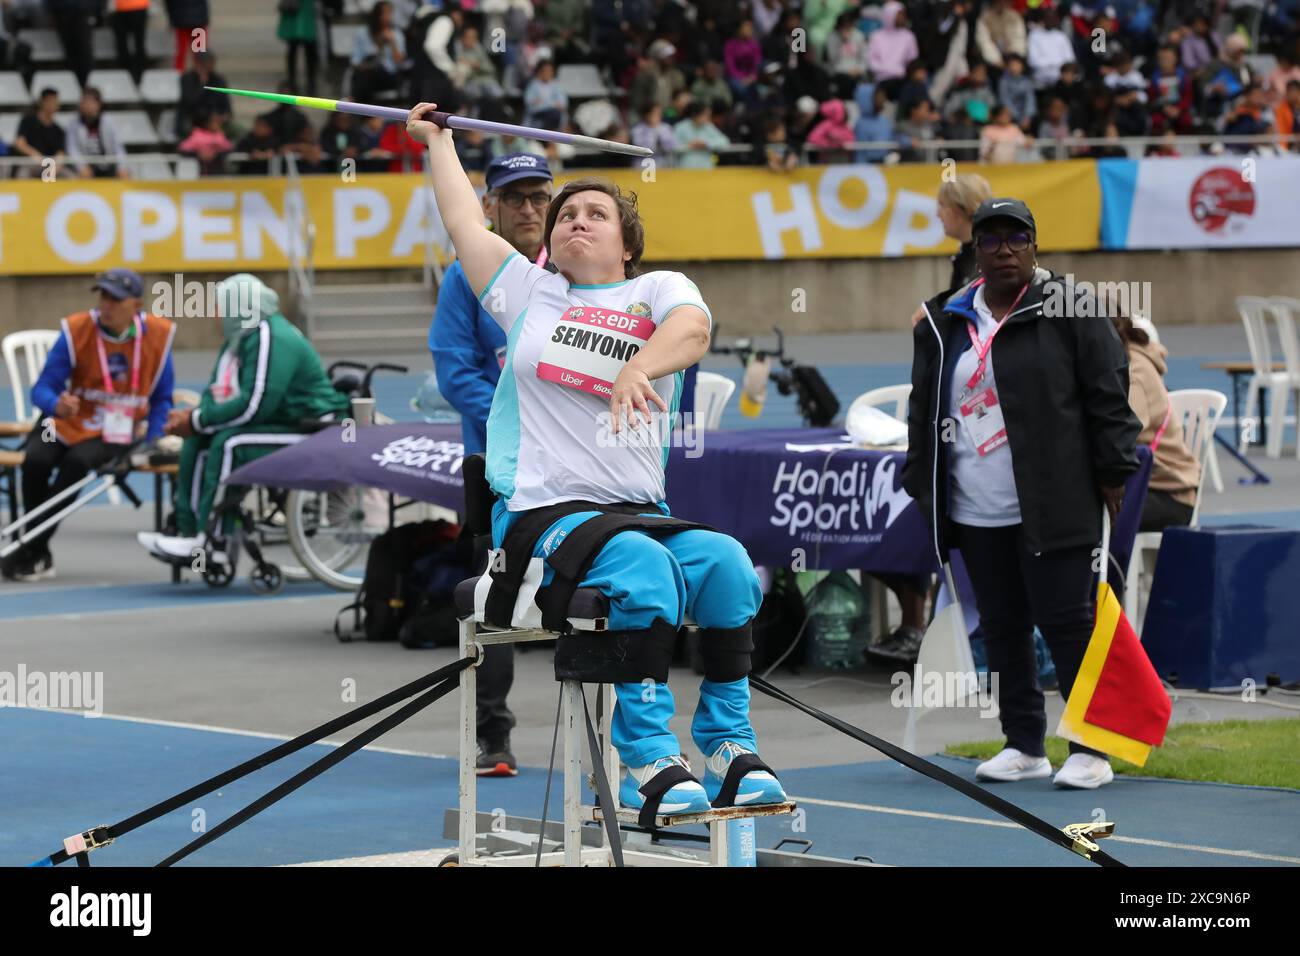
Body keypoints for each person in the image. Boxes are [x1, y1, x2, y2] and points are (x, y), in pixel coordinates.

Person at [408, 101, 788, 815]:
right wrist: (438, 140)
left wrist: (638, 367)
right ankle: (649, 756)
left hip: (638, 514)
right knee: (643, 572)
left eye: (595, 213)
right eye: (565, 214)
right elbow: (464, 222)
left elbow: (694, 329)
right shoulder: (529, 292)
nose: (575, 219)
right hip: (542, 512)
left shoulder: (656, 291)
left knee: (730, 565)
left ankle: (728, 744)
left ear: (627, 242)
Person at [903, 198, 1141, 790]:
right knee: (1004, 626)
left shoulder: (1070, 307)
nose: (1004, 249)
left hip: (1054, 498)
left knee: (1069, 622)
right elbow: (921, 404)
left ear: (1035, 246)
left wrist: (1114, 470)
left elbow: (1109, 393)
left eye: (1017, 238)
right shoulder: (946, 318)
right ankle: (1025, 743)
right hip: (976, 503)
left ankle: (1090, 748)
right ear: (977, 250)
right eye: (991, 240)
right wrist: (921, 477)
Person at [429, 152, 555, 777]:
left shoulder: (578, 271)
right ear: (490, 208)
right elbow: (455, 373)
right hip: (499, 469)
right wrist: (524, 415)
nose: (529, 210)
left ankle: (619, 737)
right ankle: (494, 737)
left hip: (576, 469)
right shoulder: (465, 278)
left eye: (539, 198)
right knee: (494, 598)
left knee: (604, 589)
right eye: (515, 199)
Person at [139, 274, 350, 563]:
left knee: (228, 444)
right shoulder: (239, 339)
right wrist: (193, 419)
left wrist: (198, 419)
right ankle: (188, 533)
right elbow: (216, 392)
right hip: (280, 421)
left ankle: (215, 542)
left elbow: (255, 405)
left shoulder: (270, 336)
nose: (215, 315)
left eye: (220, 307)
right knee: (198, 439)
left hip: (310, 426)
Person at [2, 269, 175, 582]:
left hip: (115, 429)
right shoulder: (77, 329)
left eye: (115, 299)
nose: (105, 305)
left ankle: (29, 548)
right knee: (35, 461)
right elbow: (42, 388)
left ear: (136, 305)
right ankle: (35, 551)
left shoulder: (157, 337)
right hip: (65, 418)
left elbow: (163, 400)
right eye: (102, 296)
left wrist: (152, 439)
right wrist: (55, 404)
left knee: (76, 464)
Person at [1110, 312, 1201, 532]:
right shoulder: (1118, 360)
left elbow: (1122, 438)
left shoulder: (1134, 372)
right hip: (1146, 484)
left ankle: (1112, 567)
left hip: (1169, 494)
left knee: (1088, 516)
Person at [67, 87, 127, 179]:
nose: (85, 105)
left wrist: (122, 167)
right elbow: (72, 149)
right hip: (87, 167)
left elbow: (118, 147)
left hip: (108, 165)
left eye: (89, 102)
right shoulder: (74, 124)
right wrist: (82, 167)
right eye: (84, 102)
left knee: (125, 174)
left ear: (98, 104)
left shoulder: (108, 122)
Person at [13, 88, 67, 177]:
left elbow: (60, 153)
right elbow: (19, 143)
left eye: (55, 102)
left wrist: (55, 167)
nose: (52, 105)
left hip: (50, 165)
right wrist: (35, 155)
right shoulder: (27, 121)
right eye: (49, 101)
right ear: (42, 102)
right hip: (30, 163)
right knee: (23, 174)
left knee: (69, 176)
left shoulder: (58, 130)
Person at [278, 0, 320, 96]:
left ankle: (309, 83)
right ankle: (295, 83)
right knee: (295, 50)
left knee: (307, 51)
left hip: (305, 12)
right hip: (297, 11)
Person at [165, 0, 209, 73]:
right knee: (199, 53)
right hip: (198, 18)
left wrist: (171, 19)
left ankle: (179, 76)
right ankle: (202, 77)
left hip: (181, 19)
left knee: (181, 53)